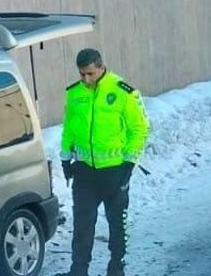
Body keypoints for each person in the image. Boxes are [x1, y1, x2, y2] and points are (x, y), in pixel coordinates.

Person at [59, 48, 150, 276]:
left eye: (90, 73)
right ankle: (78, 270)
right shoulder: (74, 93)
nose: (86, 79)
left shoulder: (123, 91)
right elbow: (68, 128)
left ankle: (116, 268)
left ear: (100, 67)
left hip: (115, 172)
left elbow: (139, 128)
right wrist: (65, 159)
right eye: (82, 74)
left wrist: (130, 163)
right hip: (84, 173)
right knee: (82, 226)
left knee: (117, 224)